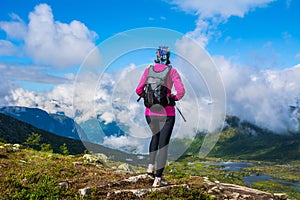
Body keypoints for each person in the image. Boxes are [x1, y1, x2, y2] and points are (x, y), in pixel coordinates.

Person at [136, 46, 185, 187]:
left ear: (157, 56)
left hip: (150, 113)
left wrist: (148, 97)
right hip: (167, 114)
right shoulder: (172, 71)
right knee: (164, 145)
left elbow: (138, 90)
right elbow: (181, 91)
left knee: (155, 137)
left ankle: (150, 167)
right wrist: (173, 97)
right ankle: (158, 179)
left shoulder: (148, 70)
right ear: (167, 57)